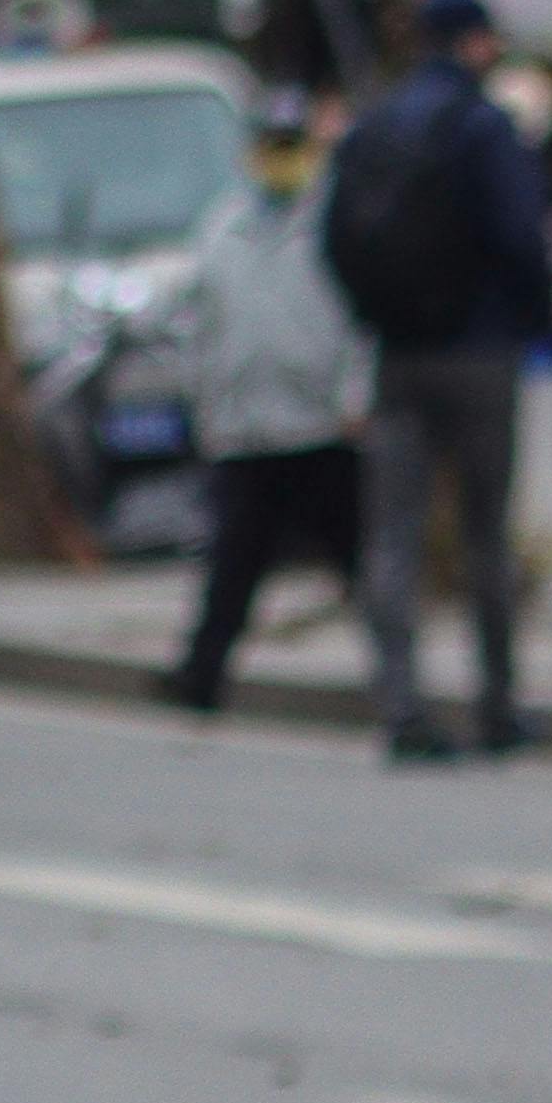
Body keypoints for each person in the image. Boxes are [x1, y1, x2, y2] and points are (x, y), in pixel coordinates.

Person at [319, 0, 552, 759]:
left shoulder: (374, 123)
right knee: (487, 533)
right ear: (477, 42)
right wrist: (533, 317)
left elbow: (334, 238)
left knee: (394, 535)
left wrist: (377, 316)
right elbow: (522, 236)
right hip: (482, 352)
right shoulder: (484, 127)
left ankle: (400, 705)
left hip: (399, 356)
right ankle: (497, 702)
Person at [155, 88, 366, 712]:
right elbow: (193, 322)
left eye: (291, 148)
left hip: (321, 422)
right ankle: (200, 678)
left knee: (357, 557)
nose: (281, 161)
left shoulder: (336, 225)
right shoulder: (222, 228)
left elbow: (360, 325)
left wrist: (355, 395)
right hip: (244, 426)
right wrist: (205, 400)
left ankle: (400, 683)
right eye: (271, 148)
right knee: (233, 563)